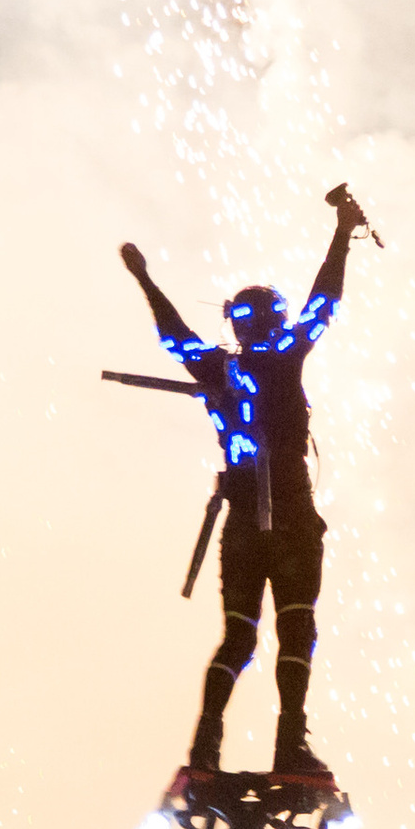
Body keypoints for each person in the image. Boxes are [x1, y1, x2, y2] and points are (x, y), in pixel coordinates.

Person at [120, 189, 368, 779]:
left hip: (240, 527)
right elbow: (324, 301)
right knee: (298, 625)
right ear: (274, 320)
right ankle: (290, 745)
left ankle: (205, 748)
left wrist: (146, 281)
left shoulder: (218, 368)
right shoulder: (283, 355)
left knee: (237, 638)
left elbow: (172, 334)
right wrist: (342, 231)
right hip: (292, 520)